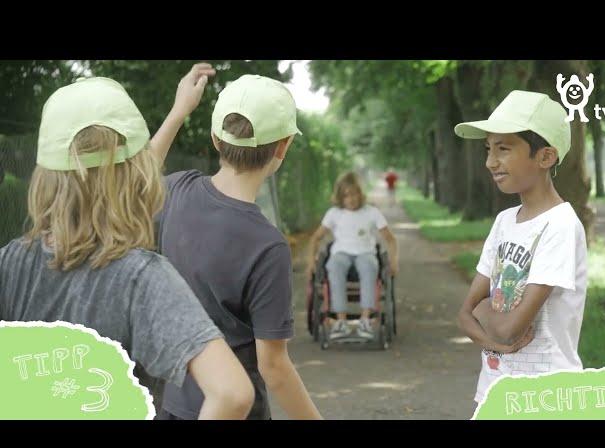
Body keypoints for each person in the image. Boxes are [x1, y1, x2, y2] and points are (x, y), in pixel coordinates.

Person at [0, 66, 255, 420]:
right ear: (141, 175)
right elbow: (232, 394)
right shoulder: (144, 280)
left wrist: (179, 111)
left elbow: (107, 172)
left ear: (44, 175)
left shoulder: (10, 265)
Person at [154, 74, 322, 420]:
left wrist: (178, 111)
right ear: (283, 147)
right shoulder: (267, 246)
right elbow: (273, 367)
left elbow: (131, 182)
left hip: (172, 406)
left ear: (216, 139)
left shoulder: (176, 191)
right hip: (237, 411)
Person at [454, 90, 587, 406]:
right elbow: (463, 314)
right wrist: (497, 342)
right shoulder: (504, 222)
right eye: (488, 149)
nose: (490, 162)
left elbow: (510, 328)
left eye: (503, 149)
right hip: (495, 393)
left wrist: (485, 312)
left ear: (545, 157)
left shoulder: (560, 226)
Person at [307, 171, 399, 340]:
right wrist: (311, 262)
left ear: (360, 194)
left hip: (365, 253)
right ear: (340, 197)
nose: (351, 199)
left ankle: (365, 320)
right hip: (341, 253)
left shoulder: (371, 212)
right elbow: (316, 238)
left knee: (369, 265)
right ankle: (340, 321)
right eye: (346, 195)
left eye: (355, 194)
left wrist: (393, 262)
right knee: (333, 265)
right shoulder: (334, 213)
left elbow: (390, 239)